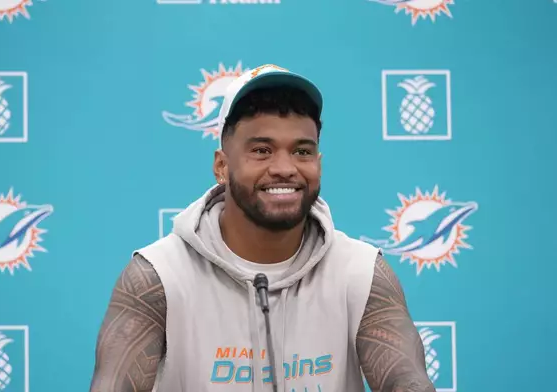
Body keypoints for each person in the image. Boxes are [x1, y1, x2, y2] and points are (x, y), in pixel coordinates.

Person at [89, 64, 435, 392]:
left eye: (302, 151)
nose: (285, 168)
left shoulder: (360, 272)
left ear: (319, 163)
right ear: (222, 166)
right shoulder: (157, 277)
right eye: (261, 150)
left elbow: (406, 378)